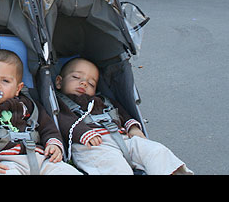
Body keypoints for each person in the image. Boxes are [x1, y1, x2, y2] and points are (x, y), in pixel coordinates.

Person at [55, 57, 193, 175]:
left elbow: (122, 113)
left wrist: (133, 127)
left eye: (91, 83)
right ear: (59, 82)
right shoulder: (61, 103)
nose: (84, 83)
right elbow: (63, 121)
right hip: (92, 145)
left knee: (156, 151)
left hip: (124, 138)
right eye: (76, 77)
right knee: (113, 166)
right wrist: (82, 133)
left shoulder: (104, 101)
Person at [0, 49, 81, 175]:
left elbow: (48, 127)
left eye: (5, 81)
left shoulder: (29, 105)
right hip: (7, 162)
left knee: (65, 171)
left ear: (18, 88)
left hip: (41, 158)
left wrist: (53, 143)